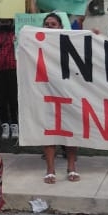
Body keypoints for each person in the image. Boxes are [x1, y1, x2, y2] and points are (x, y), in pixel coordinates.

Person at [40, 13, 80, 183]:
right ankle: (50, 169)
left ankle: (71, 166)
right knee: (49, 129)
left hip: (67, 91)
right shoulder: (37, 42)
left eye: (53, 24)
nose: (49, 27)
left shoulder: (70, 41)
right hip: (45, 91)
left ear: (60, 27)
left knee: (69, 129)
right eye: (46, 24)